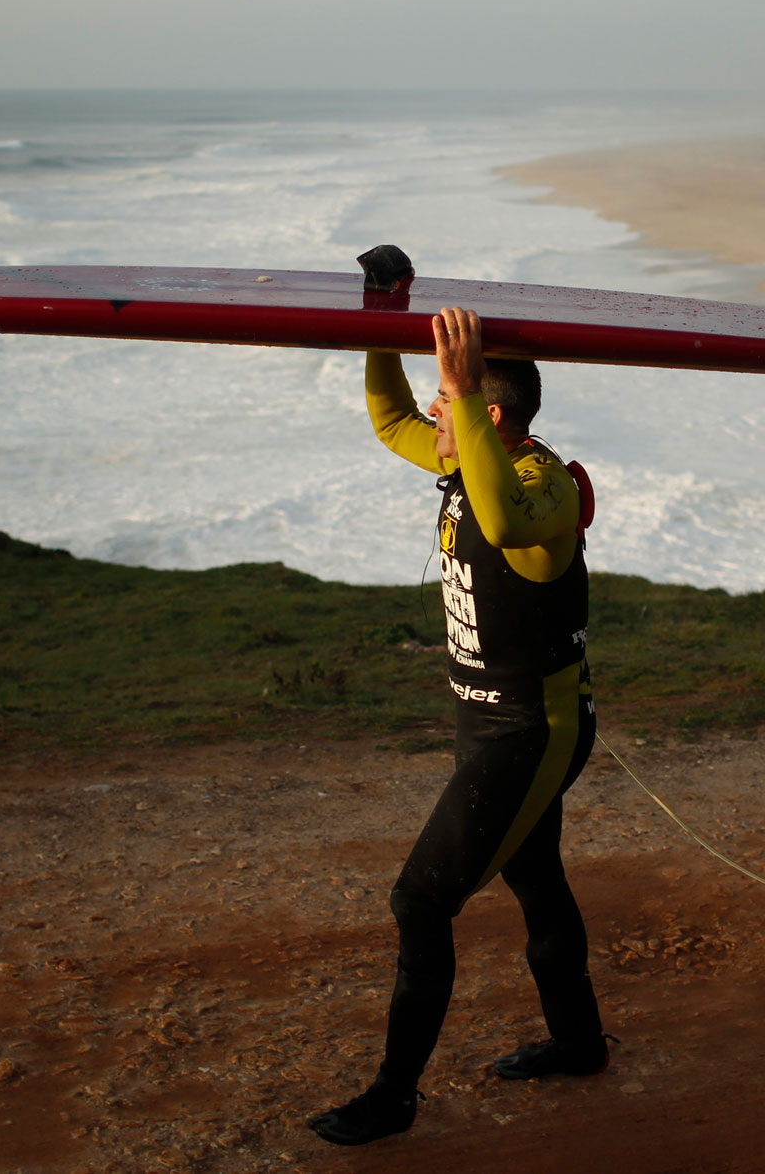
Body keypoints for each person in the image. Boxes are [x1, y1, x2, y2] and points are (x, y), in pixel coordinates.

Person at [307, 307, 607, 1147]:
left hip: (531, 730)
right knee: (535, 873)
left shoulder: (542, 490)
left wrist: (463, 390)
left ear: (490, 413)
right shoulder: (462, 451)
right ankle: (579, 1042)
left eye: (455, 401)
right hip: (488, 725)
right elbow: (391, 419)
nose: (438, 412)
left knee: (420, 900)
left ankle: (394, 1095)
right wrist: (382, 320)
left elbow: (508, 525)